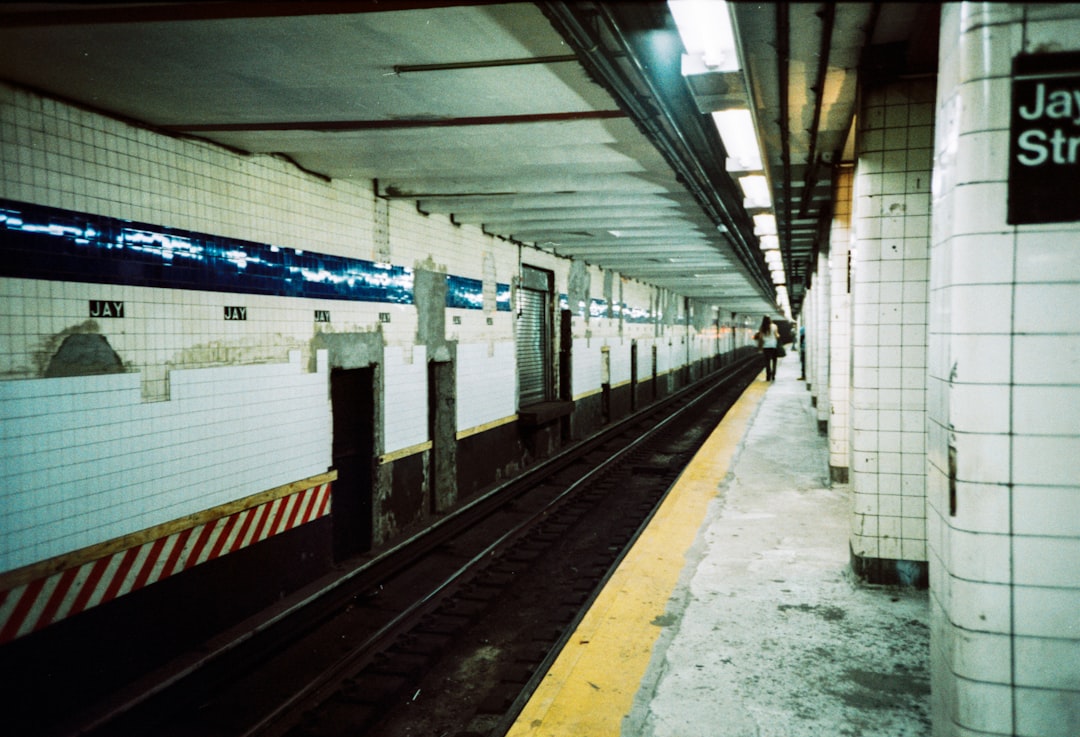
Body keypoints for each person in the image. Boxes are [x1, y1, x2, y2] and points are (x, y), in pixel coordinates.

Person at [758, 315, 780, 381]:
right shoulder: (774, 326)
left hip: (766, 346)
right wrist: (778, 336)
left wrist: (760, 347)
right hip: (773, 345)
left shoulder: (762, 327)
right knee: (774, 361)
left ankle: (768, 376)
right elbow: (777, 335)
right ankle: (773, 375)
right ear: (770, 319)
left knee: (767, 362)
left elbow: (761, 338)